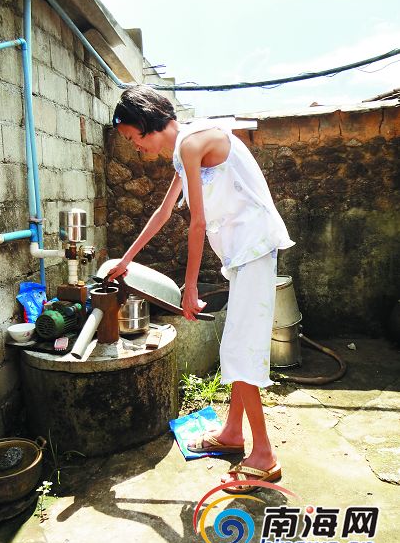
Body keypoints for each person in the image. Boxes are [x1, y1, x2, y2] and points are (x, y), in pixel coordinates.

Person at [108, 85, 295, 493]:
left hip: (254, 249)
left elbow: (195, 223)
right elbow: (162, 214)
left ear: (145, 125)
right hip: (241, 254)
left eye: (131, 137)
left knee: (239, 351)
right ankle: (232, 431)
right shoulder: (185, 150)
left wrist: (188, 287)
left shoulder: (191, 144)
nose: (135, 148)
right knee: (235, 346)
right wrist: (126, 259)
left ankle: (264, 456)